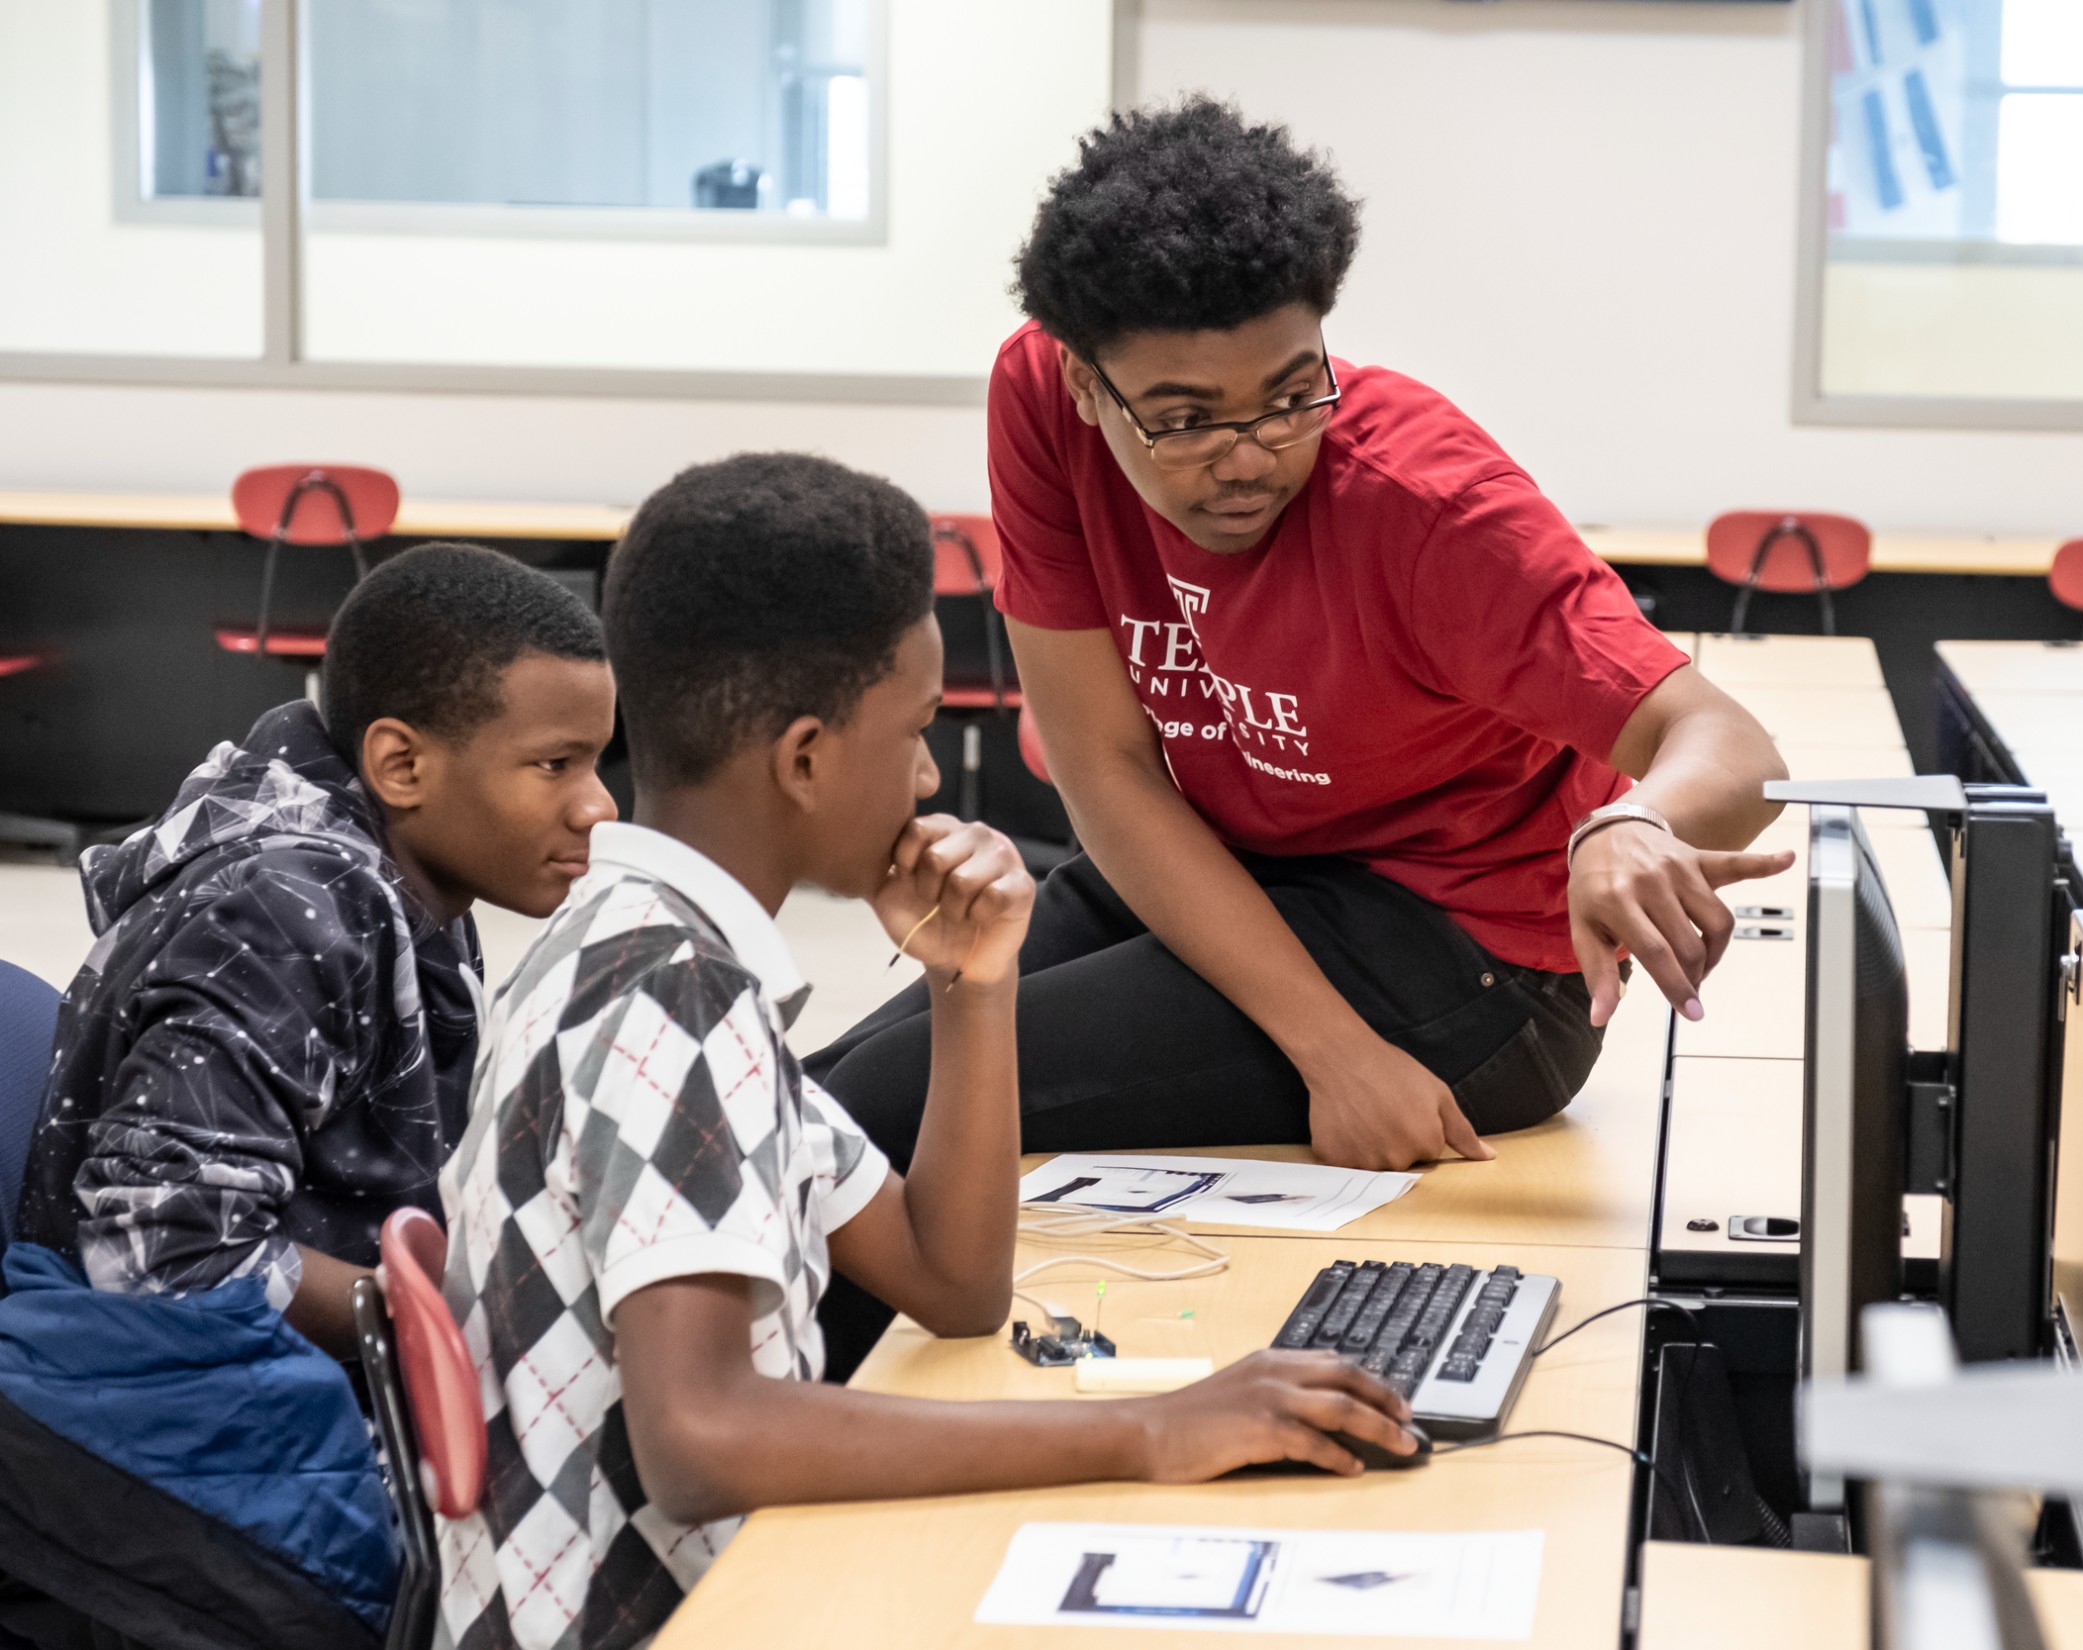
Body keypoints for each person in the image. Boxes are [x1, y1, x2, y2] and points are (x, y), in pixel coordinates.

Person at [433, 453, 1418, 1650]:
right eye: (913, 731)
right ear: (802, 760)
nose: (928, 776)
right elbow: (701, 1440)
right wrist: (1150, 1428)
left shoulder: (645, 938)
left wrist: (973, 986)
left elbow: (953, 1284)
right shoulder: (671, 994)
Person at [812, 97, 1792, 1180]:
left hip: (1469, 958)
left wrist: (1633, 825)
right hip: (1234, 864)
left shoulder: (1427, 506)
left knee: (880, 1110)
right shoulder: (1040, 397)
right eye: (1184, 419)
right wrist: (1325, 1049)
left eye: (1290, 394)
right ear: (1088, 384)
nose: (1249, 457)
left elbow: (1728, 743)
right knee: (806, 1100)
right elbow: (1104, 765)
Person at [12, 542, 616, 1358]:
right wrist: (466, 1316)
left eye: (596, 761)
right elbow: (167, 1251)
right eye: (556, 765)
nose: (598, 806)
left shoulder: (414, 879)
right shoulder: (284, 918)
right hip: (191, 1424)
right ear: (401, 766)